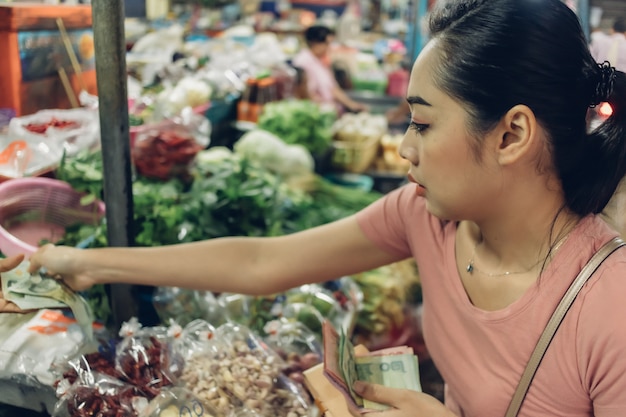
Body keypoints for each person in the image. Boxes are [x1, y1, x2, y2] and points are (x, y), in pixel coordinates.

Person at [9, 0, 626, 415]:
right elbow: (262, 262)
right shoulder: (427, 218)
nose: (406, 150)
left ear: (511, 134)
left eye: (421, 123)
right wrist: (92, 265)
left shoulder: (609, 308)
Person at [291, 25, 368, 113]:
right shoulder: (302, 62)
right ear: (315, 43)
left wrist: (353, 105)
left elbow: (333, 89)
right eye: (327, 43)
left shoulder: (320, 61)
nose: (329, 48)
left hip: (330, 110)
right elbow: (305, 94)